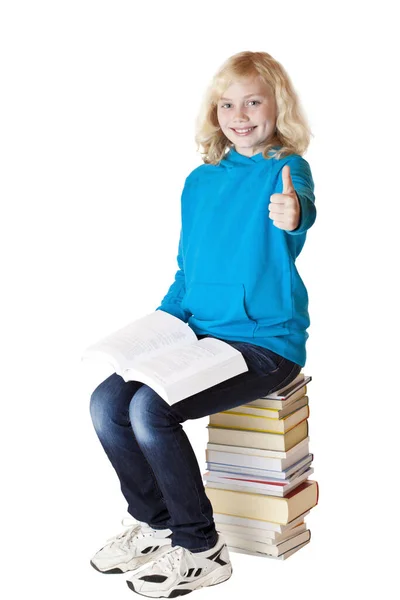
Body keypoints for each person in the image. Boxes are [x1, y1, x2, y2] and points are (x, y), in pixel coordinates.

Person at [89, 50, 316, 597]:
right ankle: (156, 523)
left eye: (253, 101)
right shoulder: (199, 181)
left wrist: (295, 213)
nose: (240, 115)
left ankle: (200, 546)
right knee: (107, 403)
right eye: (227, 104)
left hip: (264, 343)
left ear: (276, 105)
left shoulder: (285, 169)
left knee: (150, 409)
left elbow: (299, 209)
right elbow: (188, 272)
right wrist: (160, 327)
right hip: (201, 334)